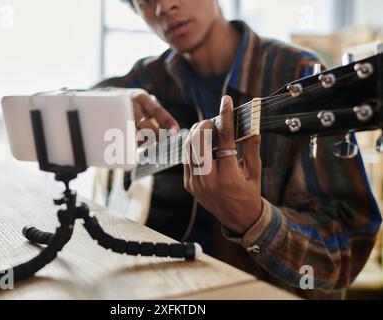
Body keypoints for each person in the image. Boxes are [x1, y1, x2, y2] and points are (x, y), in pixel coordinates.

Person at [94, 0, 382, 299]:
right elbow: (75, 102)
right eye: (145, 1)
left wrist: (252, 218)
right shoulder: (151, 77)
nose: (164, 7)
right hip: (164, 287)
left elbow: (347, 250)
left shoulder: (297, 73)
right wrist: (114, 102)